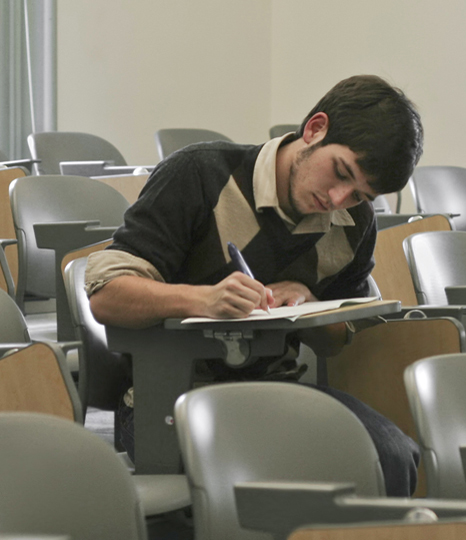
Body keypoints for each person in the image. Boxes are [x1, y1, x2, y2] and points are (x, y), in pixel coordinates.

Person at [84, 75, 424, 496]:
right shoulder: (199, 175)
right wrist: (202, 299)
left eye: (359, 195)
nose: (339, 199)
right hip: (169, 399)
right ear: (315, 128)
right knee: (274, 471)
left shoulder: (354, 224)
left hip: (278, 392)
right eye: (339, 173)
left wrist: (307, 301)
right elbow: (107, 296)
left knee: (393, 456)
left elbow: (337, 338)